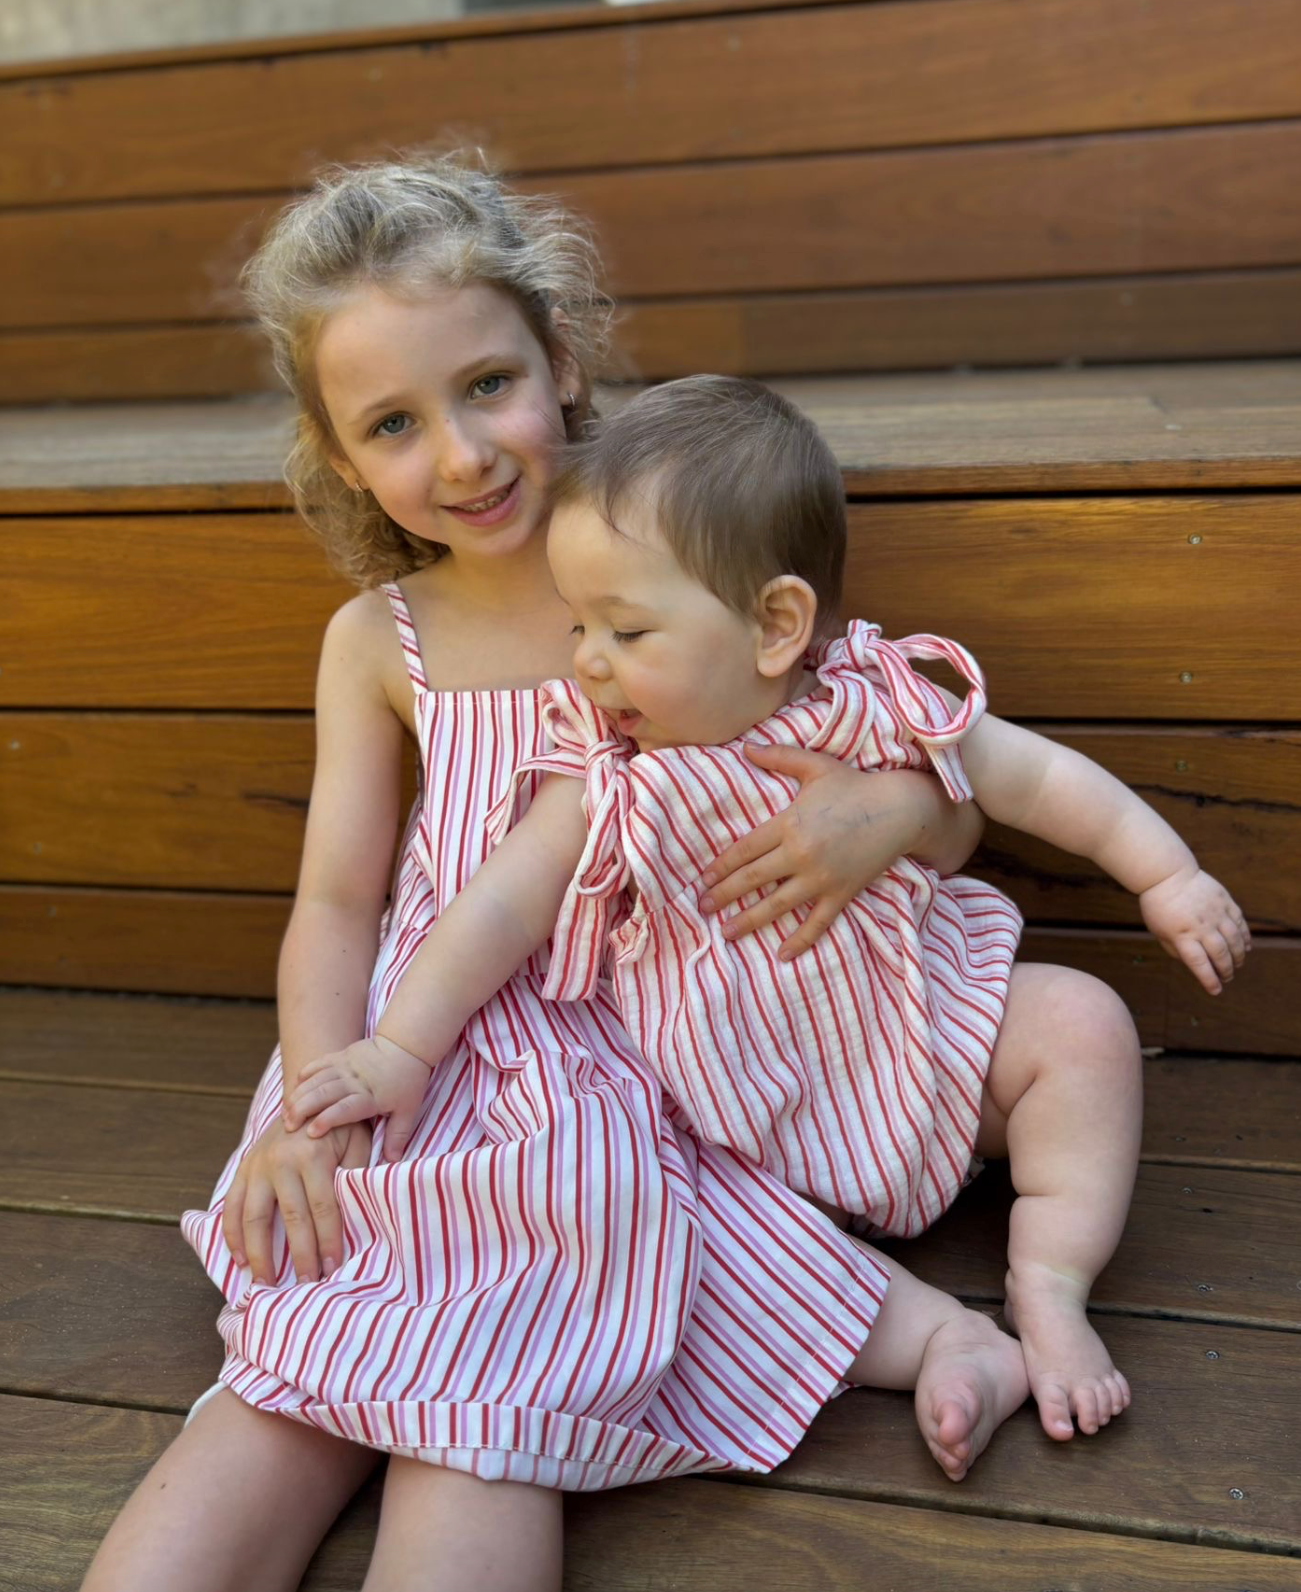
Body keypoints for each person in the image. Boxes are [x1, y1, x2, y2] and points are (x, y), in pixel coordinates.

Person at [82, 161, 1025, 1592]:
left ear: (561, 361)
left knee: (484, 1378)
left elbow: (929, 785)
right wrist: (309, 1089)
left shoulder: (677, 564)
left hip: (616, 1042)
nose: (459, 456)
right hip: (413, 1035)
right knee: (291, 1364)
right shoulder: (375, 640)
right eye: (394, 424)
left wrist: (889, 813)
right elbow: (337, 899)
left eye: (485, 386)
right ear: (341, 458)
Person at [289, 374, 1252, 1466]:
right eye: (578, 625)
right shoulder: (607, 770)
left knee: (1082, 1023)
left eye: (626, 627)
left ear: (775, 624)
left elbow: (1040, 780)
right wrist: (401, 1048)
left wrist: (1164, 876)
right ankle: (927, 1333)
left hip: (923, 1041)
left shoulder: (871, 699)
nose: (587, 660)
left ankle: (1052, 1283)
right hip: (733, 1110)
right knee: (640, 1182)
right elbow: (496, 906)